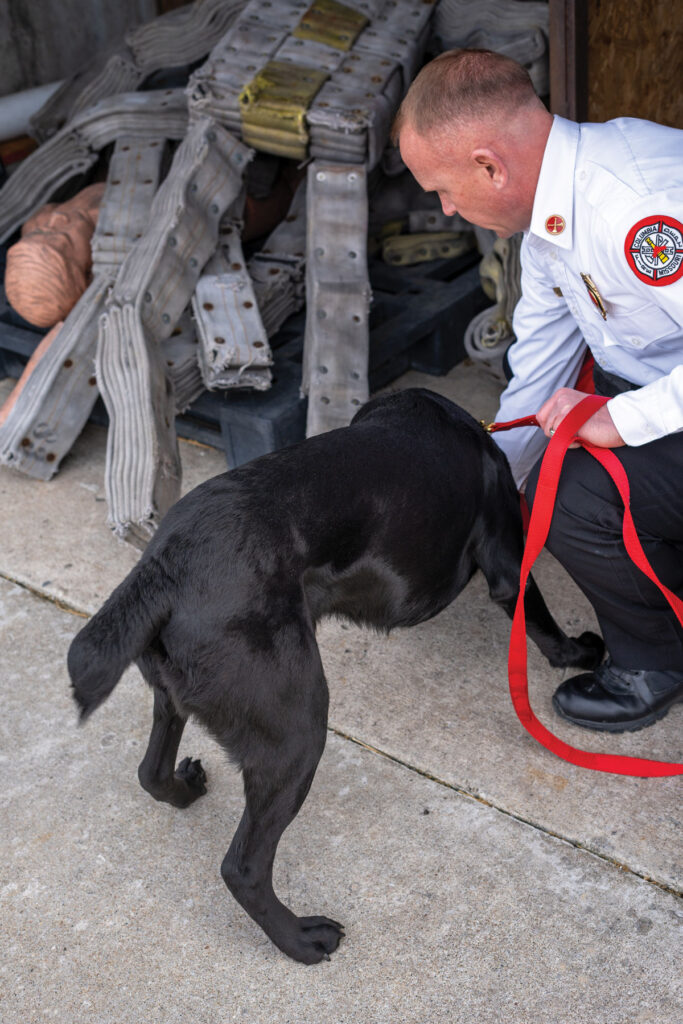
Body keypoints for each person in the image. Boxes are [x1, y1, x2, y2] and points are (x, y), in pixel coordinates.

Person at [393, 48, 683, 733]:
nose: (446, 206)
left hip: (661, 396)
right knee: (542, 475)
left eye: (443, 187)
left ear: (489, 165)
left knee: (576, 496)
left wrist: (622, 419)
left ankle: (656, 662)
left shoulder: (636, 211)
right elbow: (539, 366)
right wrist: (490, 491)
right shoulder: (551, 218)